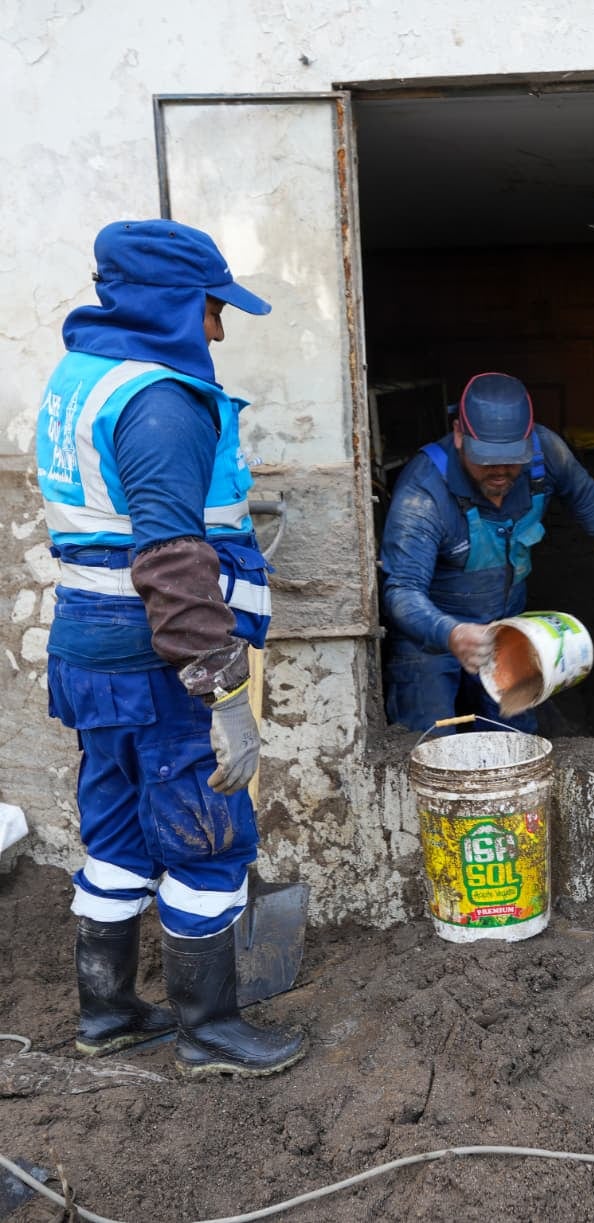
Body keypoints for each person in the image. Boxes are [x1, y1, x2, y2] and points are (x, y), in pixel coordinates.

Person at [35, 219, 306, 1078]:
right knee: (205, 835)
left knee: (115, 832)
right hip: (161, 666)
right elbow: (169, 559)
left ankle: (108, 1012)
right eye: (212, 308)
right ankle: (210, 1029)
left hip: (91, 650)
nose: (218, 330)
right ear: (173, 303)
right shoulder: (161, 398)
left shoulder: (84, 380)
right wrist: (224, 694)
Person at [380, 371, 594, 732]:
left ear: (529, 440)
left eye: (512, 459)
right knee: (431, 741)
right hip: (431, 636)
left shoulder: (545, 453)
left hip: (507, 628)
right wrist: (451, 633)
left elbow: (585, 496)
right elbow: (401, 590)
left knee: (513, 739)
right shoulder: (423, 493)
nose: (500, 471)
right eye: (486, 459)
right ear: (459, 435)